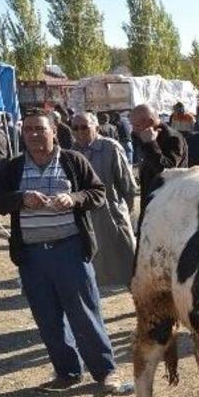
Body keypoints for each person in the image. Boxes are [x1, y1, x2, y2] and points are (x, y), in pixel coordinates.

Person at [0, 110, 127, 394]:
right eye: (28, 130)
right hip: (32, 256)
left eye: (40, 129)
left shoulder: (73, 161)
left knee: (85, 315)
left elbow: (98, 193)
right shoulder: (14, 167)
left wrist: (73, 198)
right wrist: (21, 199)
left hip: (70, 251)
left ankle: (105, 371)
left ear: (54, 131)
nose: (34, 135)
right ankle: (67, 372)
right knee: (48, 318)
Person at [70, 112, 136, 289]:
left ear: (96, 128)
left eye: (84, 127)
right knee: (93, 262)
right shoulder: (72, 152)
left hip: (111, 211)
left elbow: (128, 184)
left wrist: (123, 209)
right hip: (86, 216)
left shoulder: (110, 147)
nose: (79, 132)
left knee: (127, 258)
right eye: (75, 128)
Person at [131, 104, 187, 212]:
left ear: (150, 122)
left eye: (136, 125)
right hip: (150, 198)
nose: (133, 129)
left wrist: (151, 144)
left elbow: (167, 171)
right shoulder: (141, 135)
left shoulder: (172, 138)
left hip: (168, 202)